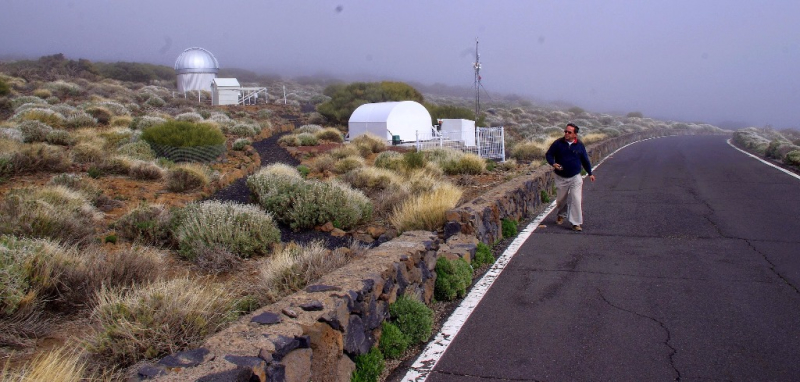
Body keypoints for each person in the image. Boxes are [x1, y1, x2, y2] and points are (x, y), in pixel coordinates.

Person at [545, 123, 596, 231]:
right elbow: (549, 154)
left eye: (569, 132)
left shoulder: (579, 145)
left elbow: (585, 160)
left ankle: (576, 223)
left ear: (575, 134)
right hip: (561, 177)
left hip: (575, 177)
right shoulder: (558, 143)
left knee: (576, 199)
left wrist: (590, 173)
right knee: (560, 200)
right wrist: (553, 163)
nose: (566, 134)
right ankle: (561, 214)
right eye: (565, 131)